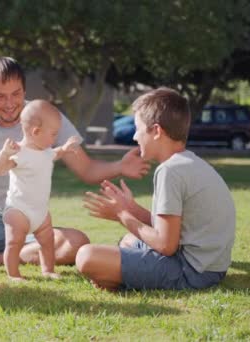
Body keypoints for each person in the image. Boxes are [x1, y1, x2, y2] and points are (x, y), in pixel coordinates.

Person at [0, 56, 150, 266]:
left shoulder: (45, 116)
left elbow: (86, 169)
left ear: (24, 90)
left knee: (76, 243)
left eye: (16, 94)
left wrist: (120, 166)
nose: (10, 103)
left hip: (27, 219)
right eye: (0, 96)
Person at [77, 87, 236, 291]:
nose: (135, 136)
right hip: (212, 267)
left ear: (157, 131)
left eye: (138, 128)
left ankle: (119, 279)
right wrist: (132, 209)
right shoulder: (188, 163)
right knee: (128, 241)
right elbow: (171, 228)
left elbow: (165, 245)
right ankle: (120, 277)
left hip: (192, 272)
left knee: (86, 256)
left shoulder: (169, 171)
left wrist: (122, 215)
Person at [0, 100, 80, 280]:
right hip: (18, 210)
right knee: (14, 243)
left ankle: (47, 270)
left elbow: (56, 153)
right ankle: (13, 274)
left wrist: (64, 148)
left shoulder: (46, 151)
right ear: (36, 132)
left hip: (40, 211)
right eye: (53, 134)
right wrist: (4, 154)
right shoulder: (20, 152)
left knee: (47, 242)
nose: (55, 139)